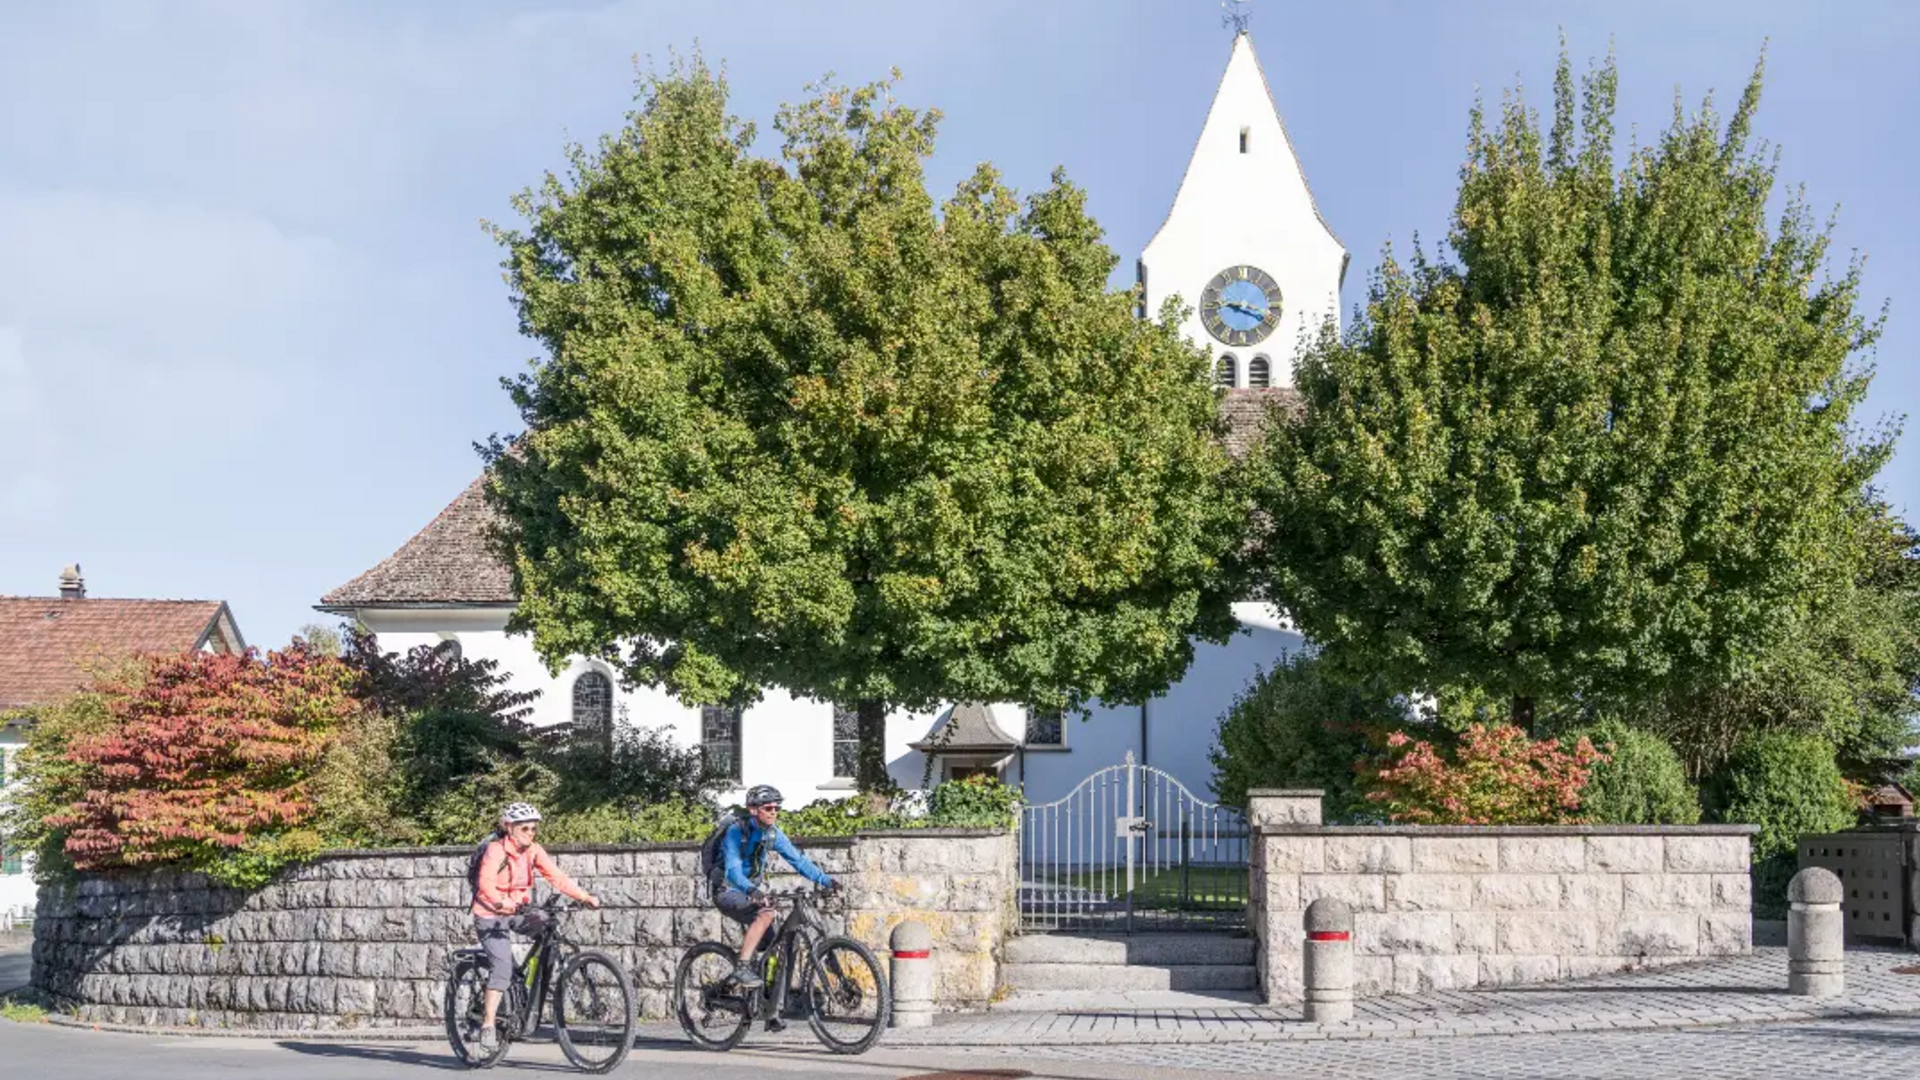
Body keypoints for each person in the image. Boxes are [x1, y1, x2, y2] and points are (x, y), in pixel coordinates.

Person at [470, 801, 600, 1053]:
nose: (530, 833)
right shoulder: (496, 851)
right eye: (525, 829)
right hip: (490, 914)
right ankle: (487, 1025)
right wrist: (500, 901)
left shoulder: (534, 850)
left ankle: (529, 995)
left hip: (519, 911)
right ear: (509, 828)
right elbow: (485, 883)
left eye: (533, 828)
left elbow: (557, 877)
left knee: (548, 927)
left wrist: (584, 896)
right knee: (503, 966)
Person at [713, 784, 837, 990]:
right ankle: (742, 967)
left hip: (750, 892)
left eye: (776, 808)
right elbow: (733, 872)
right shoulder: (736, 832)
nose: (774, 812)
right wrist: (753, 891)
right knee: (767, 913)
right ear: (753, 809)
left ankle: (768, 1008)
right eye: (768, 808)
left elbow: (799, 861)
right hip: (727, 891)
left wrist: (826, 880)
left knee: (778, 945)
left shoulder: (772, 834)